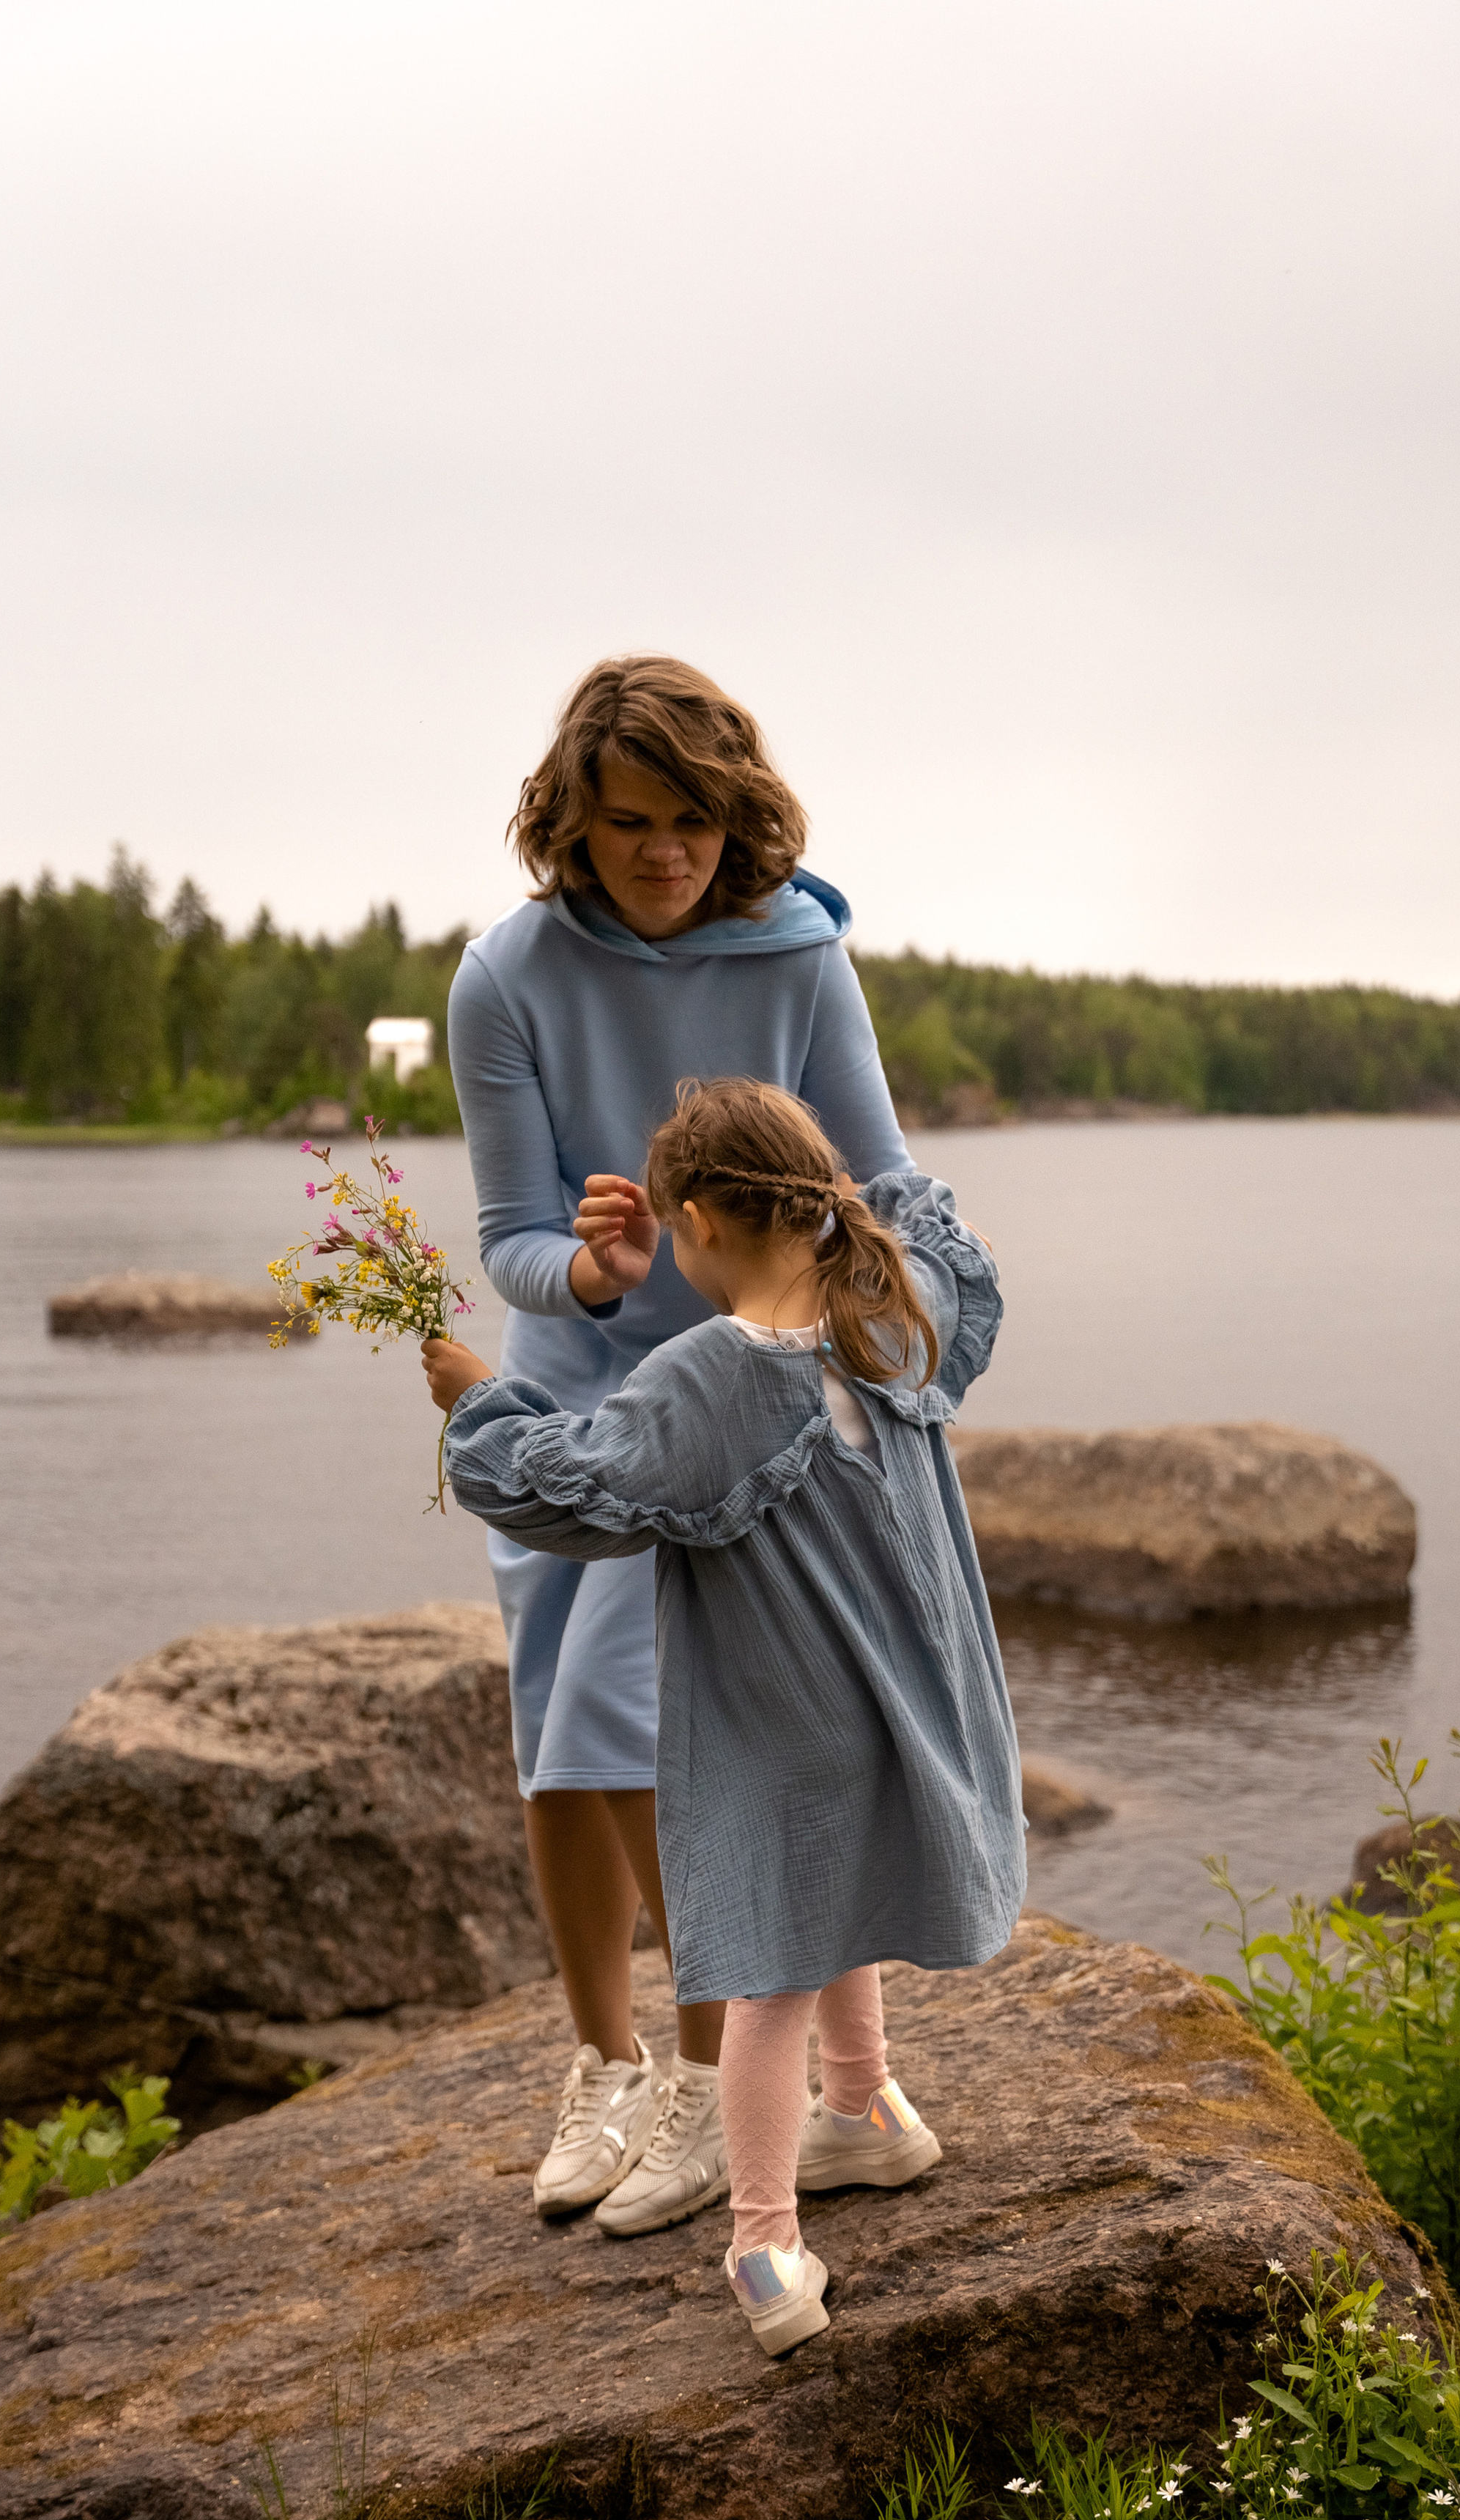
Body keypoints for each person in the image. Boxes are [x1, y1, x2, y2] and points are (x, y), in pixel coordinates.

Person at [422, 1077, 1025, 2356]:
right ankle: (864, 2110)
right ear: (822, 1199)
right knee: (839, 1893)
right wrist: (880, 1191)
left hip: (787, 1716)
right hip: (906, 1697)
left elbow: (575, 1493)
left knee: (762, 1967)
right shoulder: (892, 1304)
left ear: (694, 1221)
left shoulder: (710, 1376)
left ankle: (762, 2244)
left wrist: (480, 1403)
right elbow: (955, 1249)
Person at [446, 657, 912, 2236]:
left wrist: (853, 1359)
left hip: (739, 1394)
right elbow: (510, 1233)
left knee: (647, 1732)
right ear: (569, 824)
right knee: (558, 1757)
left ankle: (723, 2089)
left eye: (693, 823)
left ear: (735, 815)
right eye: (630, 824)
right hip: (572, 1389)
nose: (665, 855)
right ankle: (606, 2065)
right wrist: (583, 1274)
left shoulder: (801, 962)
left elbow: (882, 1192)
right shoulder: (503, 978)